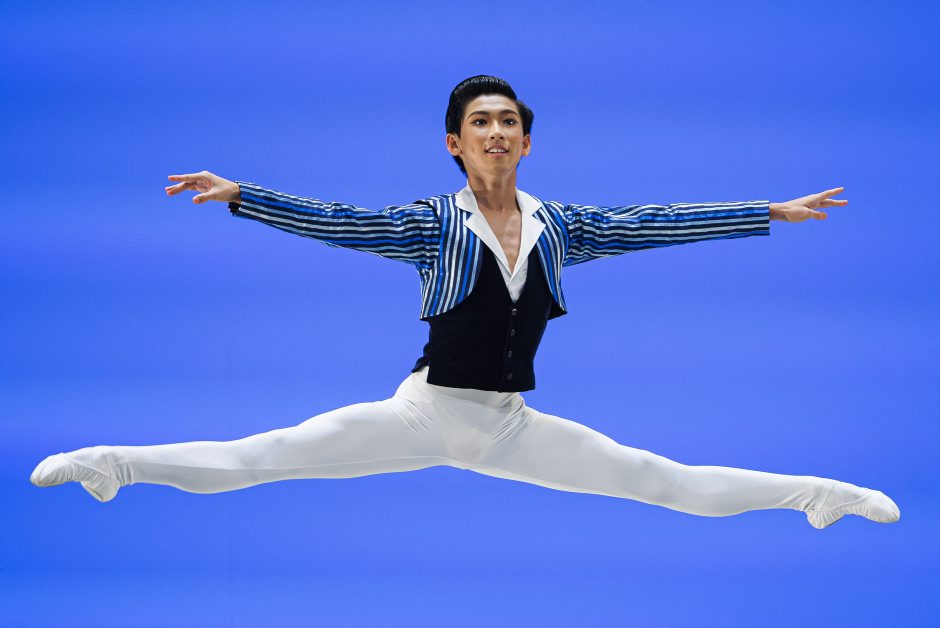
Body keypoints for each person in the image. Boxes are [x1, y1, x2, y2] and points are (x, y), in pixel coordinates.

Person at [30, 75, 899, 530]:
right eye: (480, 122)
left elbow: (654, 223)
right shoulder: (430, 224)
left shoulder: (562, 226)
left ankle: (817, 495)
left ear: (526, 141)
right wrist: (244, 195)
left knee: (658, 480)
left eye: (508, 121)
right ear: (455, 142)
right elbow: (343, 223)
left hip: (510, 425)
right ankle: (111, 464)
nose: (496, 132)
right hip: (423, 413)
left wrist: (768, 212)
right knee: (262, 456)